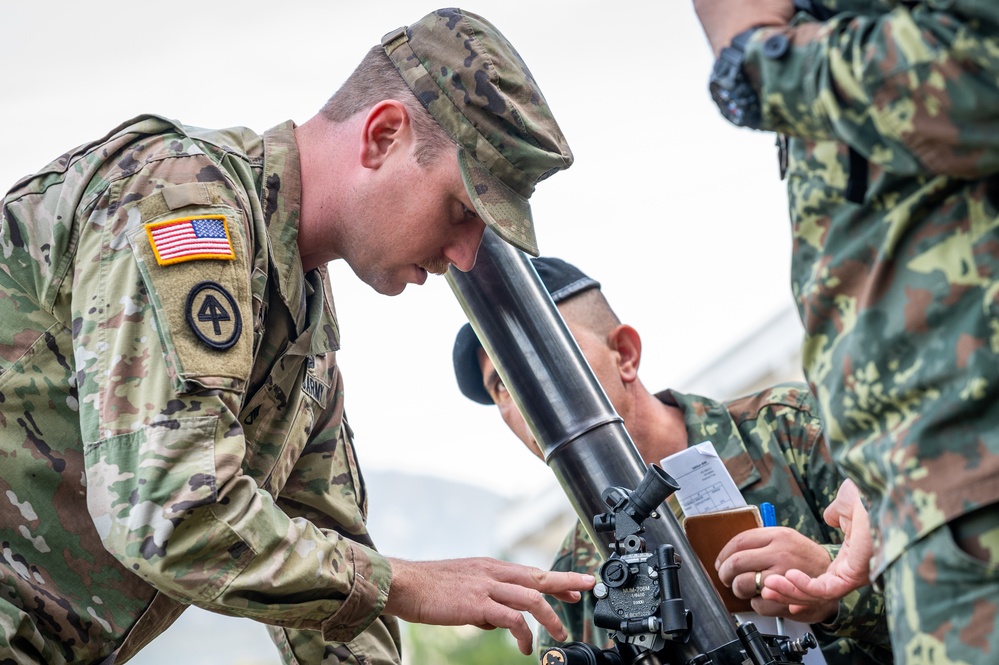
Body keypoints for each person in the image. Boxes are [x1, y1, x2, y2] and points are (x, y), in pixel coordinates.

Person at [0, 9, 596, 665]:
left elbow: (328, 562)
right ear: (384, 134)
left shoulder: (300, 327)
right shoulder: (182, 201)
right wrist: (406, 583)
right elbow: (168, 513)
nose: (462, 254)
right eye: (461, 209)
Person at [691, 0, 999, 662]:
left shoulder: (775, 424)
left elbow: (977, 67)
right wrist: (887, 476)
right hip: (934, 496)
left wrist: (752, 56)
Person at [451, 256, 893, 664]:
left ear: (623, 354)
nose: (528, 398)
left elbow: (947, 572)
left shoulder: (789, 430)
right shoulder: (573, 578)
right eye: (503, 386)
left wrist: (833, 587)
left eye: (542, 358)